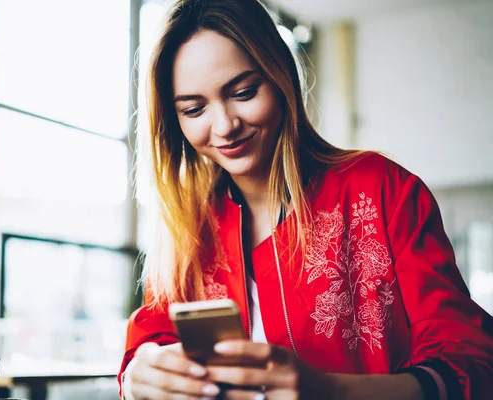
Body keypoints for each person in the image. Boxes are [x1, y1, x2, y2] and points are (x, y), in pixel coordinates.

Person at [119, 0, 493, 399]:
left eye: (244, 92)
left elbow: (472, 365)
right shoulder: (189, 229)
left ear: (281, 77)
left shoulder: (381, 189)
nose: (225, 126)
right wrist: (138, 374)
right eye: (194, 109)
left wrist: (331, 391)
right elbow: (148, 344)